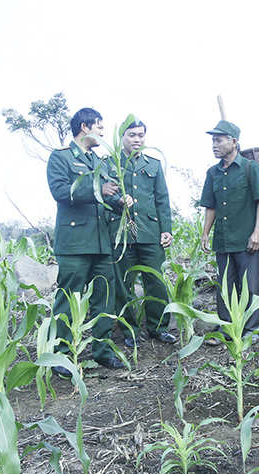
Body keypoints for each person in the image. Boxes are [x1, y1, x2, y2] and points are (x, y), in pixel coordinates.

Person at [47, 107, 132, 374]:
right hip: (74, 243)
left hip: (101, 243)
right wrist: (98, 190)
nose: (104, 133)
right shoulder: (60, 158)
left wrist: (120, 202)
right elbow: (60, 191)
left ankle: (102, 351)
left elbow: (107, 198)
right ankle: (61, 356)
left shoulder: (100, 162)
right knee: (68, 299)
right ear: (85, 127)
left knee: (104, 298)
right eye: (100, 127)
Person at [108, 119, 177, 347]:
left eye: (141, 135)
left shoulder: (154, 164)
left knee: (155, 281)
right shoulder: (109, 163)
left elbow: (162, 199)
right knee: (123, 283)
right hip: (122, 233)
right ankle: (130, 332)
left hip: (150, 232)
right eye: (132, 135)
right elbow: (104, 197)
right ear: (122, 137)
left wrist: (166, 229)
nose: (137, 140)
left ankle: (159, 328)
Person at [199, 120, 259, 344]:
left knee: (251, 287)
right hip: (224, 241)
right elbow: (211, 206)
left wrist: (257, 232)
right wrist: (205, 233)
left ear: (234, 142)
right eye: (212, 141)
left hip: (249, 241)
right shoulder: (213, 173)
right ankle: (226, 329)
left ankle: (252, 330)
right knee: (225, 289)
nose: (214, 145)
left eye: (219, 140)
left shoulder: (251, 168)